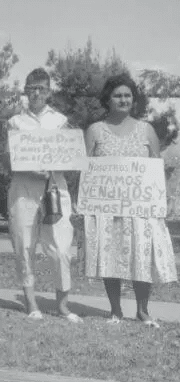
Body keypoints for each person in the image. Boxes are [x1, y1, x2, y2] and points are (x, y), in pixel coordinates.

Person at [83, 73, 178, 327]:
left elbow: (156, 168)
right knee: (110, 256)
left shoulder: (146, 129)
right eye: (117, 95)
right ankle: (115, 310)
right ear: (108, 99)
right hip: (108, 207)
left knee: (141, 257)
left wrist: (164, 199)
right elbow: (86, 170)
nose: (123, 99)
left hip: (140, 208)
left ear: (133, 99)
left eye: (127, 95)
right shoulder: (95, 130)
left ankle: (142, 310)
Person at [6, 68, 81, 322]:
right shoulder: (15, 121)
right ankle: (31, 303)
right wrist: (28, 167)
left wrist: (52, 167)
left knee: (60, 247)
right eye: (32, 88)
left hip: (54, 187)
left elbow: (70, 155)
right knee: (24, 244)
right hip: (23, 189)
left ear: (49, 92)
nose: (36, 93)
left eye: (42, 88)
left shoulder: (60, 121)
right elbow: (8, 158)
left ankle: (63, 306)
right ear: (25, 91)